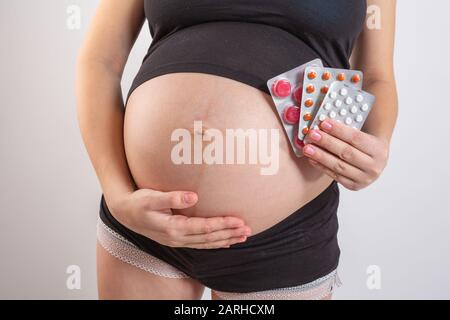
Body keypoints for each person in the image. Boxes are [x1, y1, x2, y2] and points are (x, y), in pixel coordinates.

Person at [76, 0, 397, 300]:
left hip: (285, 239)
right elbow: (100, 60)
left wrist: (378, 141)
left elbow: (377, 76)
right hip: (144, 221)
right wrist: (119, 198)